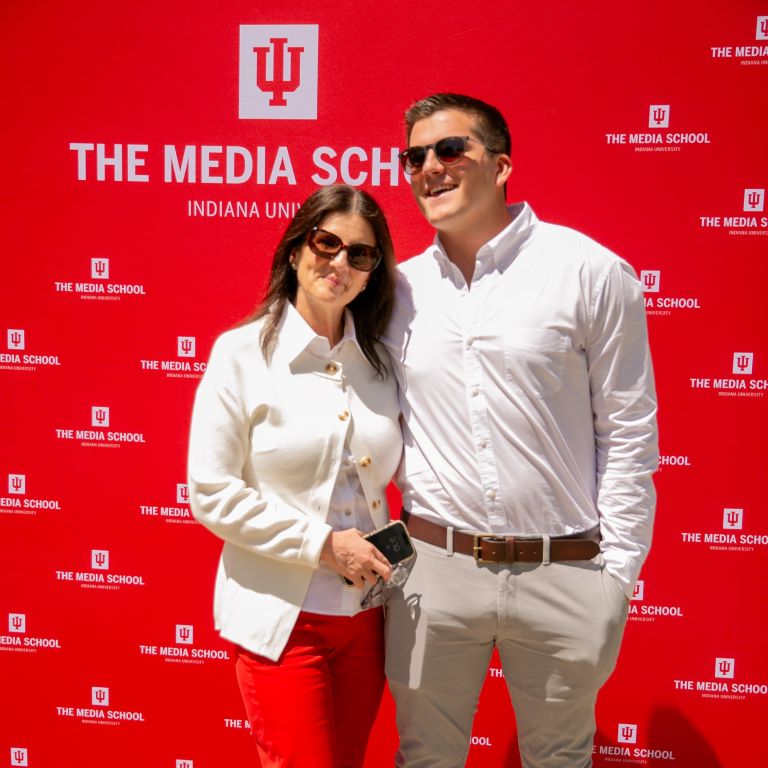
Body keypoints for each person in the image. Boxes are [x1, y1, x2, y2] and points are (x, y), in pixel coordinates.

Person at [383, 93, 658, 768]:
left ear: (502, 165)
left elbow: (628, 430)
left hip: (565, 570)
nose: (430, 168)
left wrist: (615, 575)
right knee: (424, 759)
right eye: (414, 156)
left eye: (451, 150)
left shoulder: (589, 271)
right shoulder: (395, 291)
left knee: (561, 760)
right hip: (432, 574)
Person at [187, 185, 402, 768]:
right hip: (284, 620)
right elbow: (211, 492)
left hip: (367, 619)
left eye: (360, 255)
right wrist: (323, 545)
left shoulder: (382, 365)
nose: (340, 263)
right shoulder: (240, 355)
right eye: (326, 243)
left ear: (370, 274)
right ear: (294, 249)